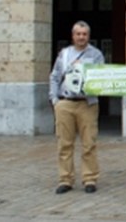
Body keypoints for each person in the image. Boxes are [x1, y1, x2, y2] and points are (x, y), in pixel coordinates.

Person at [49, 21, 105, 194]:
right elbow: (55, 76)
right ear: (73, 36)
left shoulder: (96, 54)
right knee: (64, 144)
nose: (81, 37)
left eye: (84, 34)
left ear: (88, 36)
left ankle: (90, 178)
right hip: (65, 103)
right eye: (78, 34)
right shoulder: (64, 54)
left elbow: (102, 76)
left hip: (86, 104)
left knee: (89, 143)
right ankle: (65, 179)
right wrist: (55, 100)